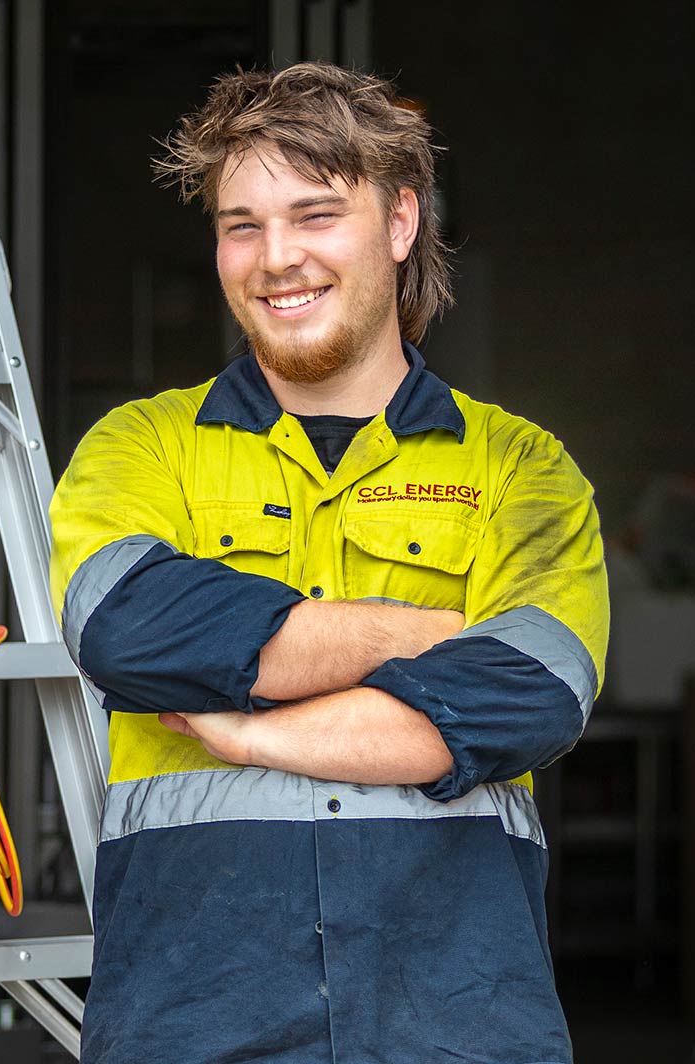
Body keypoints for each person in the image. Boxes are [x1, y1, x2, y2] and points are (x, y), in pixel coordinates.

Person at [47, 62, 609, 1064]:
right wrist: (434, 635)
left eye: (315, 215)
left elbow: (530, 693)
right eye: (242, 226)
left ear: (399, 223)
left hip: (454, 1022)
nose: (277, 258)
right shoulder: (141, 448)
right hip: (196, 1016)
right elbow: (126, 628)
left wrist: (250, 732)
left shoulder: (520, 468)